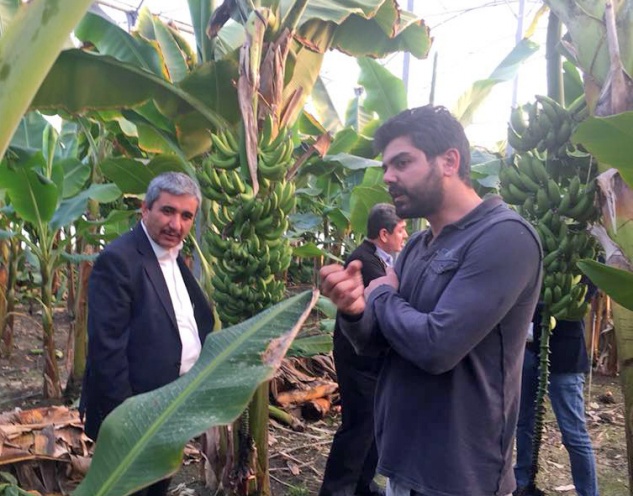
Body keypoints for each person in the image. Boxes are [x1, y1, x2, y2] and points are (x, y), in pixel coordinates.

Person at [319, 105, 543, 496]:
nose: (388, 176)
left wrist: (382, 293)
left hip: (459, 475)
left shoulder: (505, 238)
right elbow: (377, 343)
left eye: (402, 162)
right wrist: (355, 311)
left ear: (449, 161)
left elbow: (436, 347)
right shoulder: (418, 245)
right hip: (403, 462)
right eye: (386, 166)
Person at [79, 172, 215, 496]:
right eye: (167, 211)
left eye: (186, 216)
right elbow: (106, 351)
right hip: (137, 414)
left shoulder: (175, 256)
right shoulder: (119, 260)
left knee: (157, 487)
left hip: (173, 404)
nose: (176, 224)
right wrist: (129, 422)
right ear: (145, 209)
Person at [320, 203, 408, 496]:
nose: (405, 235)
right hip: (358, 360)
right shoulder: (364, 262)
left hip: (371, 360)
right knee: (358, 427)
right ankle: (336, 490)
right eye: (401, 230)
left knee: (372, 426)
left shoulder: (380, 259)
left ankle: (362, 487)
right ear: (384, 234)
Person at [514, 306, 599, 496]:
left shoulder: (579, 285)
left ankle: (588, 492)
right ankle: (522, 483)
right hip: (528, 350)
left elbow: (581, 302)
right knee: (523, 423)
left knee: (573, 434)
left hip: (565, 355)